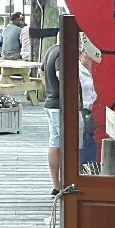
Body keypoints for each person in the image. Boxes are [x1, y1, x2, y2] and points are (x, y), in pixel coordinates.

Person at [42, 41, 63, 194]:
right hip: (60, 105)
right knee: (65, 144)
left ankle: (56, 185)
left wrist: (49, 89)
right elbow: (59, 74)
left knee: (54, 142)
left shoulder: (51, 50)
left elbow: (41, 71)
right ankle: (63, 182)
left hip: (50, 102)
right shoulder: (62, 53)